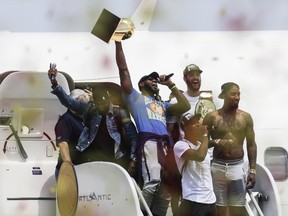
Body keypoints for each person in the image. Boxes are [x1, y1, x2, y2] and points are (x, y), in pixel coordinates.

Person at [115, 41, 191, 216]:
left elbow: (185, 106)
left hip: (165, 145)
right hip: (149, 143)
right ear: (141, 84)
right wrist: (118, 42)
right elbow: (123, 70)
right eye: (151, 79)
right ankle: (140, 212)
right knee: (152, 181)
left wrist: (170, 84)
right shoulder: (135, 98)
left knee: (166, 186)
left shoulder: (162, 104)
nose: (155, 81)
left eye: (156, 80)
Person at [48, 68, 138, 176]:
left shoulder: (120, 113)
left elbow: (132, 136)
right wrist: (55, 83)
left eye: (103, 103)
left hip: (113, 159)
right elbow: (68, 101)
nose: (100, 105)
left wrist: (133, 158)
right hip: (92, 159)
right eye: (98, 102)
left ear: (108, 101)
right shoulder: (90, 109)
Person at [202, 82, 257, 216]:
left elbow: (251, 144)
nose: (237, 97)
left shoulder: (245, 117)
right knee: (219, 210)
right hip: (217, 167)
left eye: (238, 94)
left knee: (237, 210)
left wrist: (253, 170)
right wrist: (217, 141)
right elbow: (200, 142)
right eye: (233, 94)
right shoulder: (212, 117)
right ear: (224, 96)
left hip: (237, 167)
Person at [166, 64, 215, 214]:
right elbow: (170, 129)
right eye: (191, 75)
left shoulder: (209, 101)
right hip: (185, 152)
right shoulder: (178, 101)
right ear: (185, 78)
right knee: (183, 194)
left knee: (204, 188)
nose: (195, 77)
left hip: (205, 150)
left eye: (197, 74)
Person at [173, 113, 216, 216]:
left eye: (198, 122)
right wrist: (205, 135)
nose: (198, 124)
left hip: (211, 200)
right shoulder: (180, 145)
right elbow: (199, 156)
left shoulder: (202, 145)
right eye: (193, 123)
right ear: (185, 127)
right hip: (193, 200)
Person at [54, 89, 90, 179]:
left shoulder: (85, 118)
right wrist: (69, 167)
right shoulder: (65, 120)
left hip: (83, 168)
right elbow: (63, 144)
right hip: (70, 169)